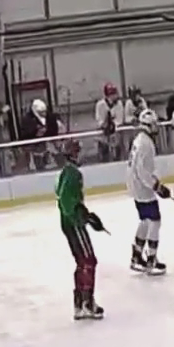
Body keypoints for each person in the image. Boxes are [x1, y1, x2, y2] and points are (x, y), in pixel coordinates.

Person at [55, 137, 108, 320]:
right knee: (88, 261)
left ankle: (79, 303)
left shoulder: (66, 173)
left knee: (82, 261)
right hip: (74, 224)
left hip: (69, 223)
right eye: (77, 151)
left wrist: (85, 214)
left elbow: (62, 197)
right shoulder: (73, 174)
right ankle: (87, 302)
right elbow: (67, 202)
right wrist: (83, 216)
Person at [125, 108, 173, 275]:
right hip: (142, 188)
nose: (157, 127)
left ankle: (137, 256)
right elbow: (143, 171)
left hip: (135, 185)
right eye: (154, 124)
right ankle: (151, 259)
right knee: (155, 221)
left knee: (145, 220)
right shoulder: (146, 144)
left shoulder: (140, 139)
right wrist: (157, 187)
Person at [94, 83, 121, 162]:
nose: (115, 96)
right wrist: (104, 124)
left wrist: (113, 124)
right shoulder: (100, 105)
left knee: (117, 155)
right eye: (112, 94)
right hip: (103, 136)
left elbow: (119, 119)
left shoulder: (118, 104)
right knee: (104, 155)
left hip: (115, 135)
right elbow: (99, 119)